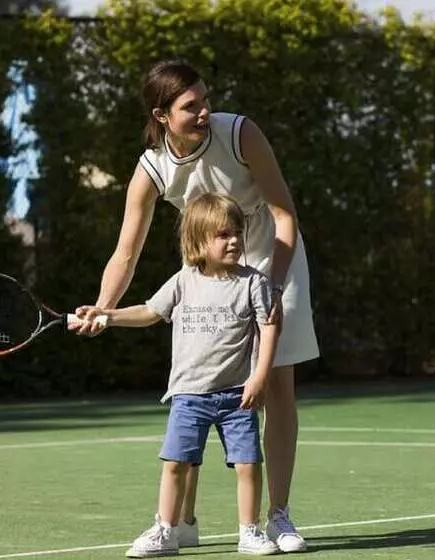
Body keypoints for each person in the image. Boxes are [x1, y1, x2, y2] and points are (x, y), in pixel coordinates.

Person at [76, 59, 319, 553]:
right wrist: (103, 308)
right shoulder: (150, 169)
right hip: (209, 265)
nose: (205, 110)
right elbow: (126, 252)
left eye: (206, 99)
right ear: (162, 115)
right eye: (192, 106)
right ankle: (181, 523)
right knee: (198, 383)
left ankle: (278, 517)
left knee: (275, 382)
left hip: (274, 254)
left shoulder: (240, 133)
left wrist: (269, 284)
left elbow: (284, 213)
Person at [75, 193, 280, 557]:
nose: (234, 240)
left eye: (237, 233)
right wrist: (107, 313)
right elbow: (149, 312)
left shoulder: (253, 283)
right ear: (199, 241)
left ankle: (250, 531)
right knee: (175, 465)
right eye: (223, 234)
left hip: (238, 395)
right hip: (188, 395)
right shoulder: (183, 281)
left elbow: (269, 326)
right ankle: (166, 531)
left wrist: (259, 376)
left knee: (248, 465)